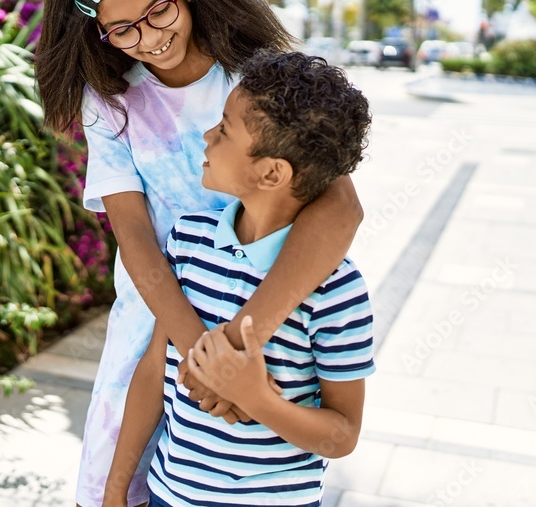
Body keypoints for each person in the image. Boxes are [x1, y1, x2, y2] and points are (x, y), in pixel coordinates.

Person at [34, 0, 364, 507]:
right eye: (121, 28)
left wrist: (238, 344)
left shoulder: (254, 79)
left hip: (268, 310)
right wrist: (196, 350)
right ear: (97, 32)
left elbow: (340, 207)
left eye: (159, 10)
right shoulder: (110, 102)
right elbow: (135, 239)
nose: (149, 37)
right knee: (126, 483)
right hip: (156, 323)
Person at [103, 50, 375, 507]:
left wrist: (258, 400)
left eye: (224, 129)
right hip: (169, 494)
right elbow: (153, 373)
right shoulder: (187, 241)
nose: (208, 136)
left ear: (271, 172)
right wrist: (114, 490)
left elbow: (342, 434)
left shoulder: (337, 292)